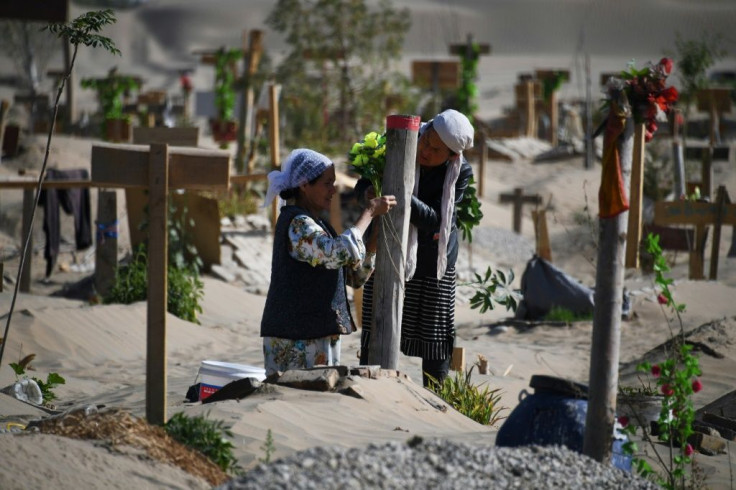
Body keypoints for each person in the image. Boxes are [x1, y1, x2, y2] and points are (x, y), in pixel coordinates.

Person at [357, 109, 475, 387]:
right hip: (388, 248)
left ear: (452, 156)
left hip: (434, 259)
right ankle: (370, 387)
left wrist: (401, 192)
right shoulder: (399, 142)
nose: (424, 150)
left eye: (435, 150)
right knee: (377, 327)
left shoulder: (460, 172)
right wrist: (368, 192)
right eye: (425, 141)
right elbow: (363, 183)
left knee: (434, 339)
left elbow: (436, 220)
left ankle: (435, 397)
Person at [260, 148, 397, 375]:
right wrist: (370, 211)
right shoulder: (296, 223)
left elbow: (352, 276)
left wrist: (373, 241)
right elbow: (335, 253)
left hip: (316, 335)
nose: (333, 190)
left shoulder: (319, 225)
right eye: (327, 183)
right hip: (294, 338)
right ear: (304, 185)